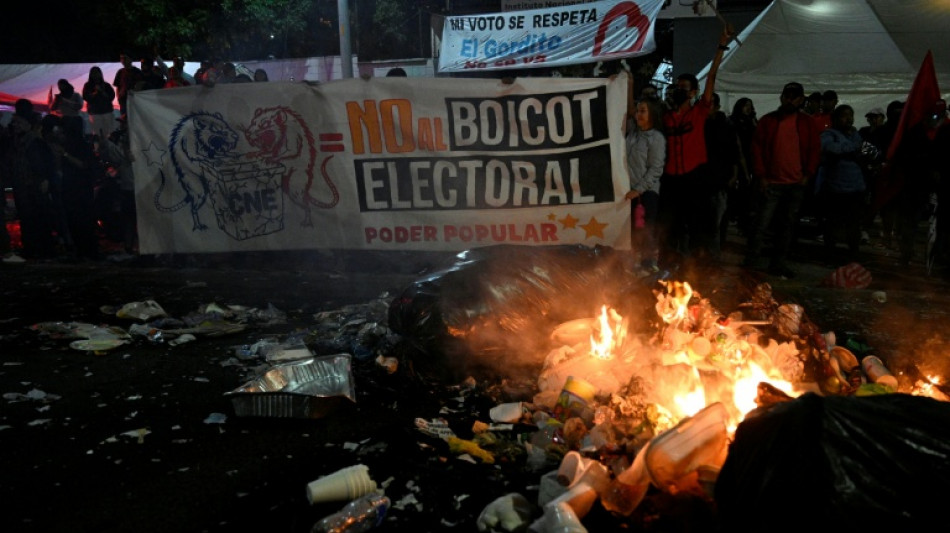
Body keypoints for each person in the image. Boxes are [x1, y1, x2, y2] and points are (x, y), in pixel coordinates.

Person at [658, 23, 734, 268]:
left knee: (697, 224)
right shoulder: (667, 117)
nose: (678, 90)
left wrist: (721, 46)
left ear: (693, 93)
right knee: (671, 226)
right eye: (676, 86)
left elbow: (712, 76)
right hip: (671, 180)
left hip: (694, 178)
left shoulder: (699, 112)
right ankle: (670, 267)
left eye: (683, 87)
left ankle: (697, 269)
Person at [742, 82, 822, 278]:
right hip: (773, 182)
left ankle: (777, 263)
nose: (789, 99)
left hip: (795, 183)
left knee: (786, 227)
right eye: (787, 95)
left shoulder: (807, 123)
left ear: (801, 99)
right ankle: (752, 262)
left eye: (794, 96)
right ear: (782, 97)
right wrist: (761, 176)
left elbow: (814, 149)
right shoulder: (768, 121)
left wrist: (807, 174)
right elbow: (757, 148)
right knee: (762, 224)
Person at [817, 104, 867, 264]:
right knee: (833, 223)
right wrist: (853, 148)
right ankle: (830, 255)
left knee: (854, 224)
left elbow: (868, 151)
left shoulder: (855, 134)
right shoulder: (829, 134)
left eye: (851, 115)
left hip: (856, 187)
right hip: (837, 188)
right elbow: (830, 148)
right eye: (845, 115)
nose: (849, 119)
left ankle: (853, 254)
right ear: (836, 119)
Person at [624, 96, 666, 272]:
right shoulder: (632, 133)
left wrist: (639, 190)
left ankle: (649, 267)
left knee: (645, 230)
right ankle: (633, 264)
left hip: (646, 194)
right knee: (631, 231)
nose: (638, 115)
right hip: (629, 192)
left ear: (652, 114)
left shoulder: (656, 138)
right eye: (637, 111)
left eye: (643, 111)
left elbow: (656, 169)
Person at [705, 92, 742, 258]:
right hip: (701, 178)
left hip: (720, 179)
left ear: (718, 106)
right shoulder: (700, 123)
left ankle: (713, 255)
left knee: (716, 221)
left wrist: (734, 174)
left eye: (711, 104)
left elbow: (734, 152)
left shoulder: (726, 126)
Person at [101, 115, 137, 256]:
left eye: (124, 123)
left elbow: (123, 157)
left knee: (132, 217)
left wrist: (108, 145)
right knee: (129, 217)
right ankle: (129, 246)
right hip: (128, 184)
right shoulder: (123, 138)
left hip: (133, 183)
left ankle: (133, 246)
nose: (121, 126)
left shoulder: (134, 138)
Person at [727, 97, 757, 237]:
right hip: (737, 159)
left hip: (750, 159)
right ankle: (736, 217)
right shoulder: (734, 121)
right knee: (739, 190)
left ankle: (743, 220)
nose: (748, 108)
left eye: (750, 106)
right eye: (746, 105)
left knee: (747, 191)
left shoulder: (751, 121)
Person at [82, 66, 116, 141]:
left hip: (107, 112)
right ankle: (98, 151)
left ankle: (109, 149)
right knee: (97, 134)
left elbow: (111, 96)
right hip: (95, 113)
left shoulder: (106, 85)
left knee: (109, 133)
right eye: (94, 73)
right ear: (91, 75)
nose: (96, 75)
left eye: (97, 73)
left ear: (100, 74)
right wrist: (95, 93)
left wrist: (102, 91)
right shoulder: (87, 85)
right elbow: (85, 97)